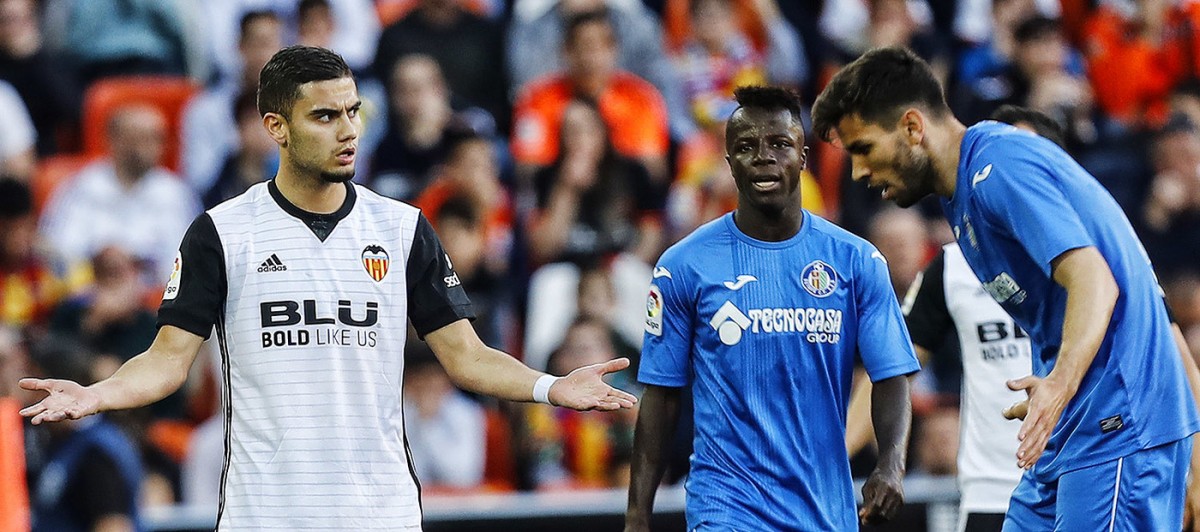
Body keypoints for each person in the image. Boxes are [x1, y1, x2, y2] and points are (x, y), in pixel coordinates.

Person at [18, 45, 636, 531]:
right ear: (276, 127)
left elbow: (467, 356)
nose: (348, 130)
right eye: (325, 116)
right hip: (267, 518)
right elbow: (166, 362)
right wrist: (97, 395)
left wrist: (552, 387)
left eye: (353, 111)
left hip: (381, 515)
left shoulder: (402, 228)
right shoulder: (222, 232)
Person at [811, 46, 1200, 530]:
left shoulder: (999, 165)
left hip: (1117, 424)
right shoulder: (964, 197)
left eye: (863, 149)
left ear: (912, 127)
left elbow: (1095, 280)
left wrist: (1057, 386)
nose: (858, 173)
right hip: (1065, 432)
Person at [624, 85, 920, 531]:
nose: (763, 157)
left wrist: (891, 466)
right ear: (729, 162)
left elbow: (891, 376)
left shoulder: (855, 261)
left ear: (803, 157)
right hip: (726, 508)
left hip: (825, 510)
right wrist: (636, 517)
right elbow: (661, 396)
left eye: (779, 144)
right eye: (746, 147)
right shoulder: (684, 265)